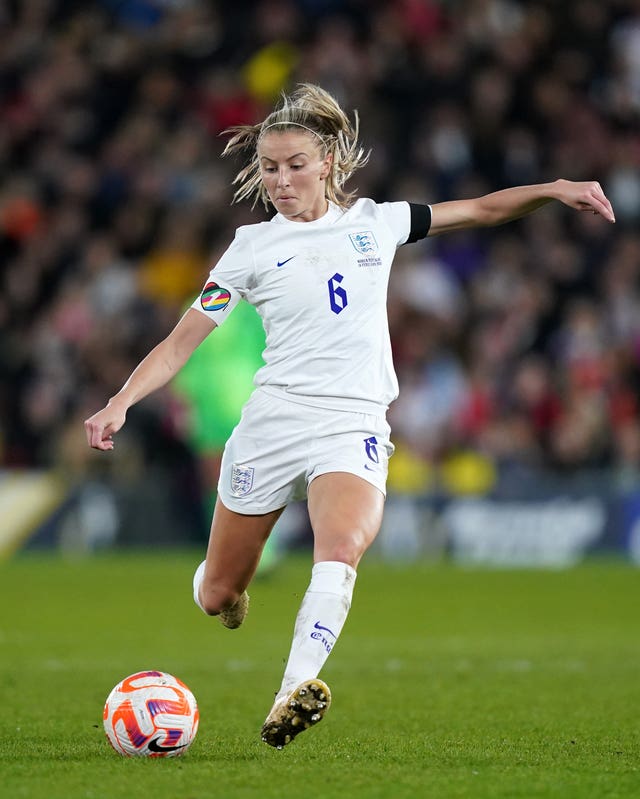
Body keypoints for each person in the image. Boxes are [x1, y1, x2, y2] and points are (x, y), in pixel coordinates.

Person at [84, 83, 615, 749]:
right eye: (270, 167)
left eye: (295, 164)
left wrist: (555, 186)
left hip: (353, 421)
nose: (281, 179)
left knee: (340, 548)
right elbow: (179, 343)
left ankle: (292, 690)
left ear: (328, 160)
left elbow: (480, 208)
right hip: (273, 421)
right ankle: (229, 597)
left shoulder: (376, 222)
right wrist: (120, 401)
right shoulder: (249, 248)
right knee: (217, 592)